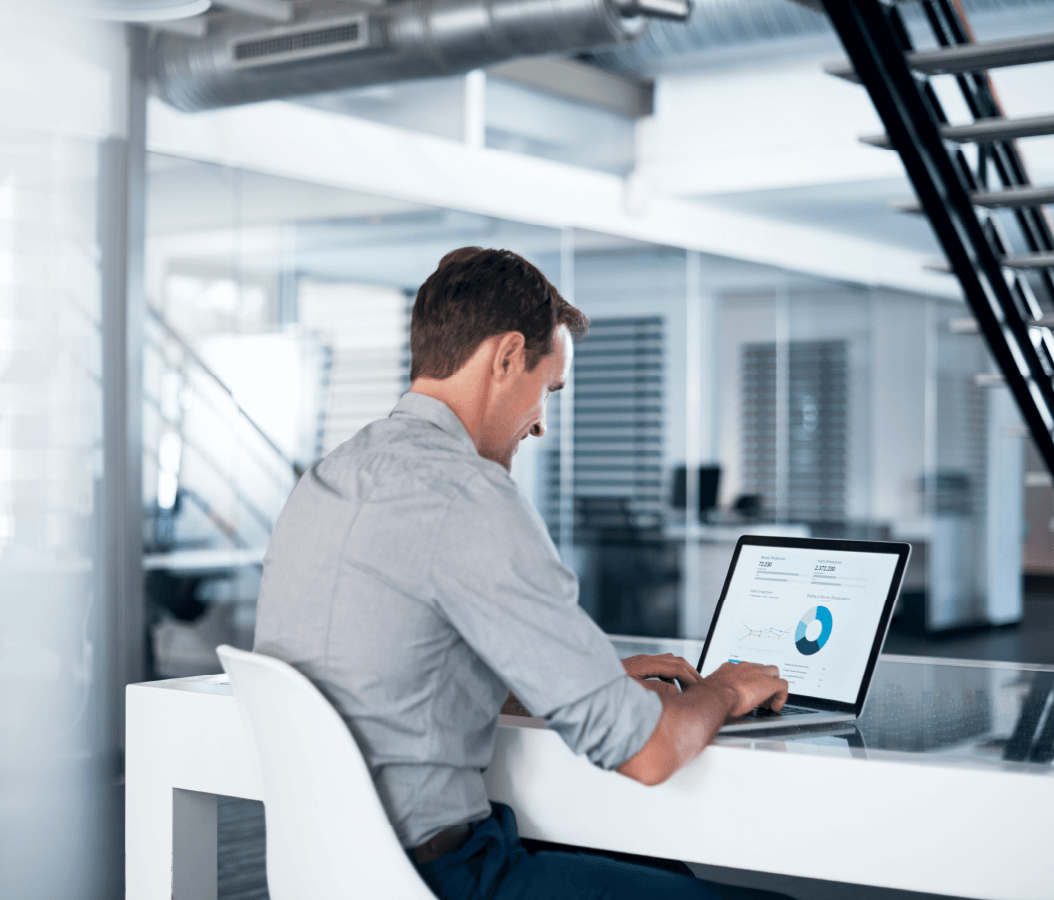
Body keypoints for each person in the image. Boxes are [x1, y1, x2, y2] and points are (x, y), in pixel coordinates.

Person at [254, 247, 792, 900]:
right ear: (508, 357)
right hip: (440, 879)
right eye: (548, 389)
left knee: (662, 873)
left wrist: (581, 681)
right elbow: (649, 753)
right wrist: (728, 691)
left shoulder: (324, 480)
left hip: (332, 870)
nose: (540, 424)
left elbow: (401, 674)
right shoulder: (467, 495)